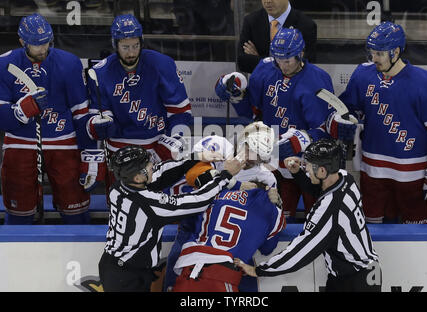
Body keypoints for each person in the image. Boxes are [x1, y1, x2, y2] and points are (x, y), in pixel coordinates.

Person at [216, 28, 343, 218]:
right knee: (276, 215)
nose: (282, 65)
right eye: (278, 59)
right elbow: (252, 112)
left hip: (307, 163)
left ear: (300, 54)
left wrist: (296, 141)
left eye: (287, 60)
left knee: (315, 214)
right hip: (271, 161)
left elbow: (324, 130)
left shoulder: (318, 80)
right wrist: (236, 95)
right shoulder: (265, 68)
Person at [339, 21, 427, 224]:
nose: (374, 59)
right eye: (372, 52)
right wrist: (343, 121)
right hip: (372, 171)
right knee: (371, 232)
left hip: (413, 175)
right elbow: (347, 109)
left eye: (379, 54)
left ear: (396, 51)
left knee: (419, 235)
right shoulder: (363, 75)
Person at [235, 138, 381, 292]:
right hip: (367, 271)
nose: (307, 170)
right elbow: (322, 190)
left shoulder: (329, 209)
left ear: (323, 171)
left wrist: (258, 270)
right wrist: (298, 174)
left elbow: (300, 252)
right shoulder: (346, 178)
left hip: (354, 282)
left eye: (309, 167)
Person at [98, 145, 244, 292]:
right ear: (137, 177)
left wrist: (196, 157)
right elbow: (198, 200)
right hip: (126, 277)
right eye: (148, 166)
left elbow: (161, 172)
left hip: (119, 267)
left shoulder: (118, 187)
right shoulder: (150, 204)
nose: (152, 167)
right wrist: (225, 176)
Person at [0, 13, 99, 224]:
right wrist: (21, 111)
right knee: (18, 216)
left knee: (76, 211)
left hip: (64, 143)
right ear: (22, 42)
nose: (43, 49)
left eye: (46, 43)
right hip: (20, 144)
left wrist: (89, 157)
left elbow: (81, 115)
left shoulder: (69, 63)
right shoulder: (4, 64)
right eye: (36, 45)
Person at [163, 123, 280, 291]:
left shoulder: (267, 177)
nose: (253, 159)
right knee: (173, 281)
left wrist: (276, 203)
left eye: (260, 157)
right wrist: (235, 184)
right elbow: (193, 174)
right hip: (194, 230)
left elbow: (265, 221)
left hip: (232, 248)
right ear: (243, 141)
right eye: (252, 151)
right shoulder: (218, 144)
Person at [86, 14, 193, 190]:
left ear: (141, 42)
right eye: (125, 47)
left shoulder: (162, 65)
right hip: (118, 150)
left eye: (135, 46)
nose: (131, 52)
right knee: (121, 206)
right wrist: (101, 125)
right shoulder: (100, 73)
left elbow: (181, 113)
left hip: (156, 147)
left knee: (158, 206)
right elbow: (98, 115)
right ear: (115, 44)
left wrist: (175, 139)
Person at [172, 181, 286, 292]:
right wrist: (277, 206)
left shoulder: (216, 193)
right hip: (221, 274)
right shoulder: (271, 207)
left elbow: (187, 220)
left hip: (188, 268)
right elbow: (267, 248)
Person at [237, 0, 317, 73]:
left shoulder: (306, 25)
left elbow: (305, 66)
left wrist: (262, 61)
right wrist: (285, 62)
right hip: (260, 85)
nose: (267, 1)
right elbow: (243, 62)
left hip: (293, 86)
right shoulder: (251, 21)